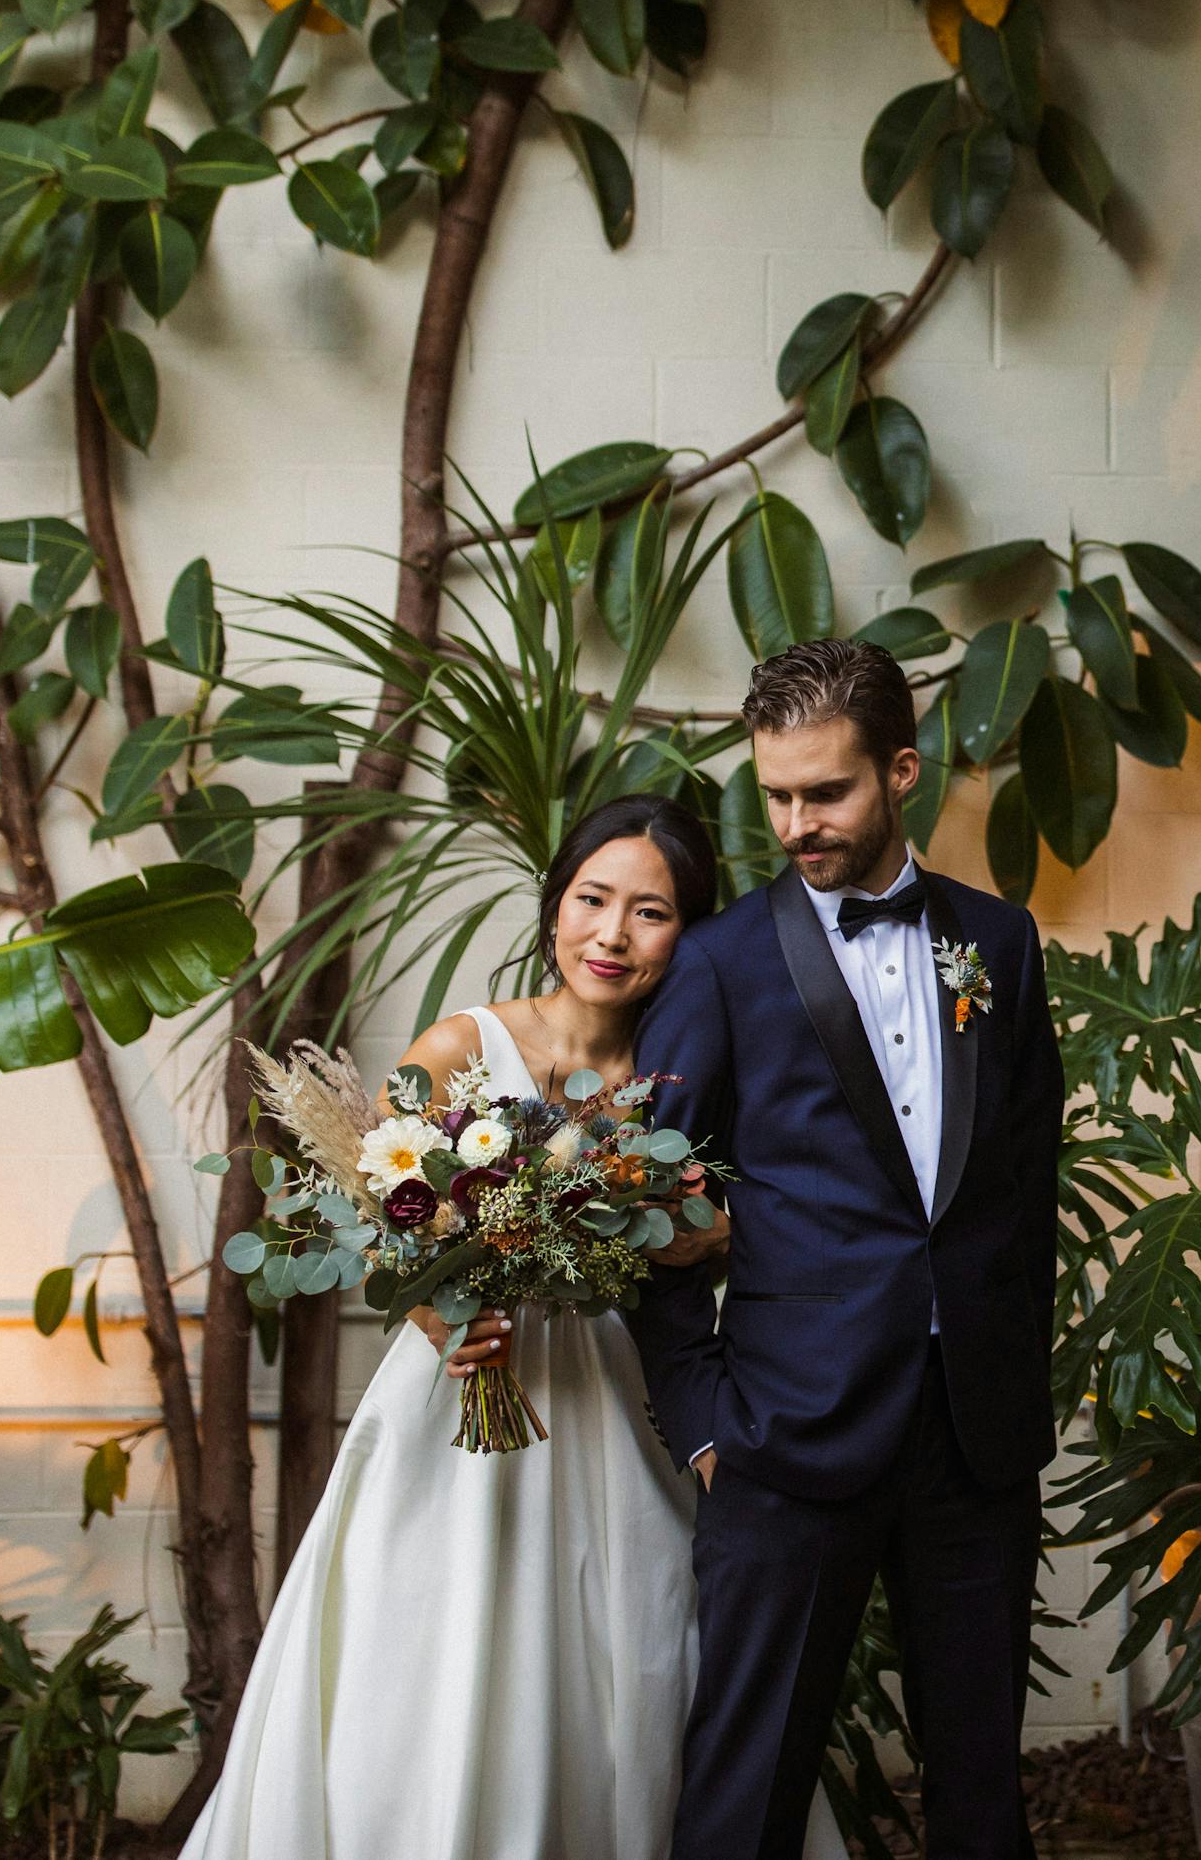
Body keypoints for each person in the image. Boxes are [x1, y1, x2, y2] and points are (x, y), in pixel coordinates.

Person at [178, 793, 841, 1860]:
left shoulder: (681, 1076)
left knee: (631, 1650)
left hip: (618, 1393)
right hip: (458, 1397)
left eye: (652, 912)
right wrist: (443, 1309)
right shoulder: (460, 1044)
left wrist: (698, 1232)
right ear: (554, 906)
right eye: (592, 899)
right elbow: (385, 1202)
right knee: (426, 1654)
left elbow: (740, 1221)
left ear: (692, 932)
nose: (611, 935)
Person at [632, 638, 1067, 1860]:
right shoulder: (717, 964)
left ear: (903, 772)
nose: (797, 822)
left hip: (973, 1440)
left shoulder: (998, 939)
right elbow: (640, 1200)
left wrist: (1009, 1379)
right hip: (786, 1434)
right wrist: (705, 1420)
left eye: (826, 791)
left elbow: (1024, 1185)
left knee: (982, 1786)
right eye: (776, 794)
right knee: (746, 1784)